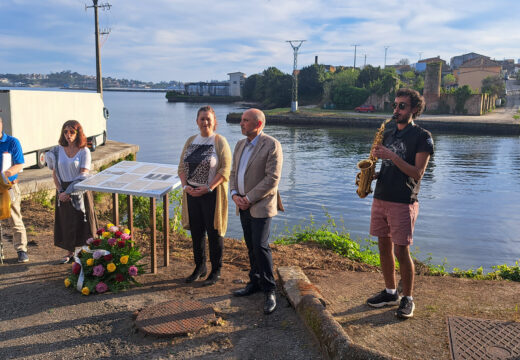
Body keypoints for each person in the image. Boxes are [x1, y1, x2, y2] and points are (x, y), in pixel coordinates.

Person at [366, 88, 434, 319]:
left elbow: (417, 173)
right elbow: (386, 165)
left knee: (401, 250)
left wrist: (391, 156)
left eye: (402, 106)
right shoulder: (389, 132)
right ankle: (390, 291)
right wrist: (371, 175)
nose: (396, 110)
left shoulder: (422, 137)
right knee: (383, 248)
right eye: (394, 106)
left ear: (415, 109)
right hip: (381, 196)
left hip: (403, 200)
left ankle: (408, 299)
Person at [229, 108, 284, 315]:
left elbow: (272, 179)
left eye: (245, 120)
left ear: (258, 124)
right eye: (241, 120)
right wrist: (234, 194)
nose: (241, 123)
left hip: (260, 204)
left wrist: (249, 198)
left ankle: (270, 289)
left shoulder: (271, 145)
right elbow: (234, 172)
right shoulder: (240, 144)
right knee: (250, 245)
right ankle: (255, 282)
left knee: (261, 246)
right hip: (241, 202)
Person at [178, 106, 231, 286]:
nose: (205, 122)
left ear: (214, 122)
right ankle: (200, 267)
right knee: (197, 232)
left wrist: (208, 187)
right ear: (197, 121)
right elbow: (181, 167)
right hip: (192, 193)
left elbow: (225, 170)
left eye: (208, 119)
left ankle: (216, 270)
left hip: (211, 194)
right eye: (202, 119)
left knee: (214, 232)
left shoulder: (219, 141)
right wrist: (185, 186)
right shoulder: (191, 141)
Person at [45, 120, 98, 263]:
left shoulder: (84, 151)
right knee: (67, 221)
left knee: (83, 220)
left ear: (78, 133)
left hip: (79, 189)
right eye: (65, 132)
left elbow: (83, 174)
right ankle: (70, 252)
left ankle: (85, 253)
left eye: (72, 132)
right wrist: (61, 191)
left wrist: (68, 192)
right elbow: (55, 173)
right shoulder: (58, 150)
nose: (68, 135)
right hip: (62, 190)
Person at [0, 116, 29, 263]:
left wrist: (5, 174)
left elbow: (19, 164)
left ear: (1, 123)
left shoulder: (12, 142)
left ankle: (21, 250)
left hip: (9, 187)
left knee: (15, 219)